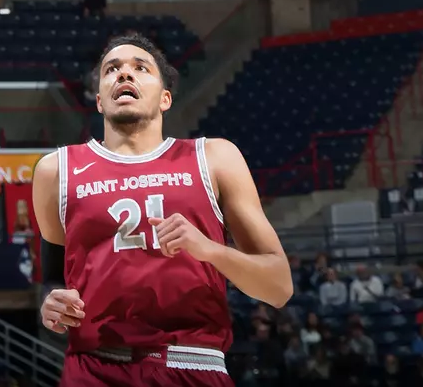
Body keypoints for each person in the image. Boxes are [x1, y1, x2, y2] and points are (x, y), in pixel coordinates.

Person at [35, 34, 292, 384]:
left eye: (140, 68)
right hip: (94, 367)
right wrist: (51, 303)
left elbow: (278, 287)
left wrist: (210, 249)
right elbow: (52, 277)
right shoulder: (56, 170)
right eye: (112, 69)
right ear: (98, 100)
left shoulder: (214, 157)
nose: (124, 75)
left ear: (165, 98)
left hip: (192, 363)